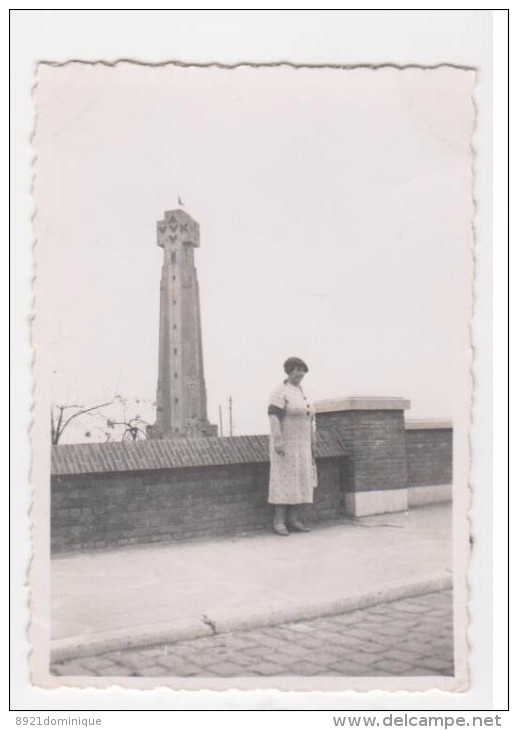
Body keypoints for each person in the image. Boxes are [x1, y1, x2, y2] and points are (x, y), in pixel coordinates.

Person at [267, 356, 317, 536]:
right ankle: (278, 521)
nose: (300, 373)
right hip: (286, 445)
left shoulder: (302, 391)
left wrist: (312, 441)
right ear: (288, 371)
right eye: (296, 369)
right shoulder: (281, 391)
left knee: (300, 480)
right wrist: (278, 440)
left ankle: (293, 519)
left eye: (302, 370)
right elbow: (273, 417)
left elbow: (309, 418)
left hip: (303, 445)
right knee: (284, 481)